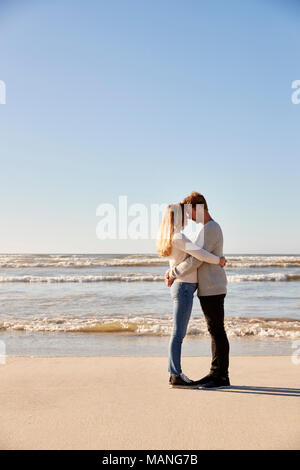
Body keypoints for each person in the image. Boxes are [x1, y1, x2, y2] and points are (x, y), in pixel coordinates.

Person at [156, 202, 226, 388]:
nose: (188, 217)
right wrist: (218, 260)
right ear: (177, 217)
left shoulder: (178, 236)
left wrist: (171, 272)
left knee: (179, 332)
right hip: (183, 288)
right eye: (184, 214)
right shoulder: (178, 237)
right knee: (178, 333)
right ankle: (175, 374)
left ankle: (175, 373)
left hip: (184, 287)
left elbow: (190, 257)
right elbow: (200, 255)